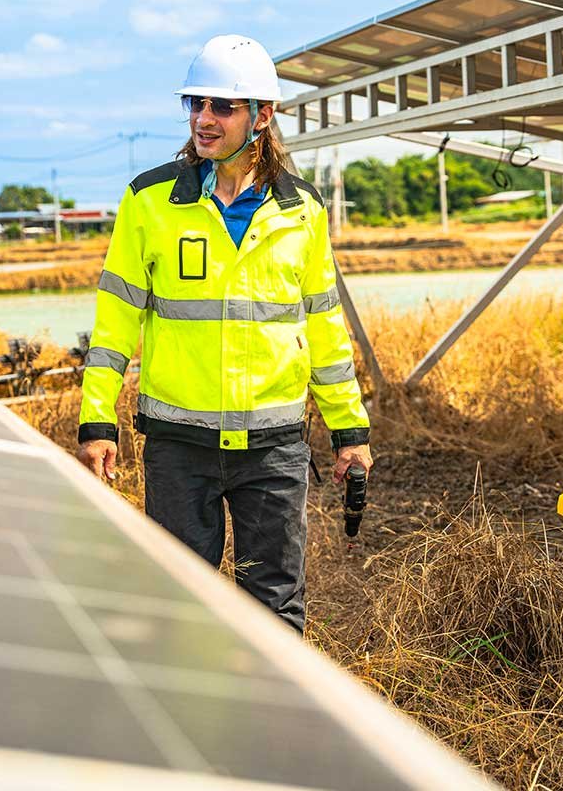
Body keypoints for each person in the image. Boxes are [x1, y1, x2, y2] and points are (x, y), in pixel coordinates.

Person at [76, 34, 373, 632]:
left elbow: (325, 329)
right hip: (179, 446)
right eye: (196, 104)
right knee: (177, 605)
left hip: (274, 446)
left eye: (222, 107)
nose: (203, 119)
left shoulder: (303, 210)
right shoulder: (149, 200)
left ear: (262, 116)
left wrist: (349, 431)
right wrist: (97, 421)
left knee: (276, 607)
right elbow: (114, 323)